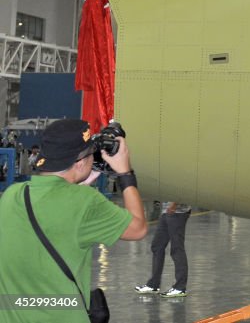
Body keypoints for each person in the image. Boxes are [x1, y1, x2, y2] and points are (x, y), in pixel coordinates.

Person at [0, 119, 147, 322]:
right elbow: (138, 228)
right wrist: (125, 174)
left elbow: (54, 209)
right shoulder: (86, 203)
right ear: (79, 163)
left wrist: (77, 183)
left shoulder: (12, 195)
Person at [134, 201, 191, 298]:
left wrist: (174, 205)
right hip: (167, 211)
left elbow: (180, 189)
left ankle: (180, 287)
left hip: (177, 212)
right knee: (157, 245)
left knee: (177, 248)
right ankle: (153, 284)